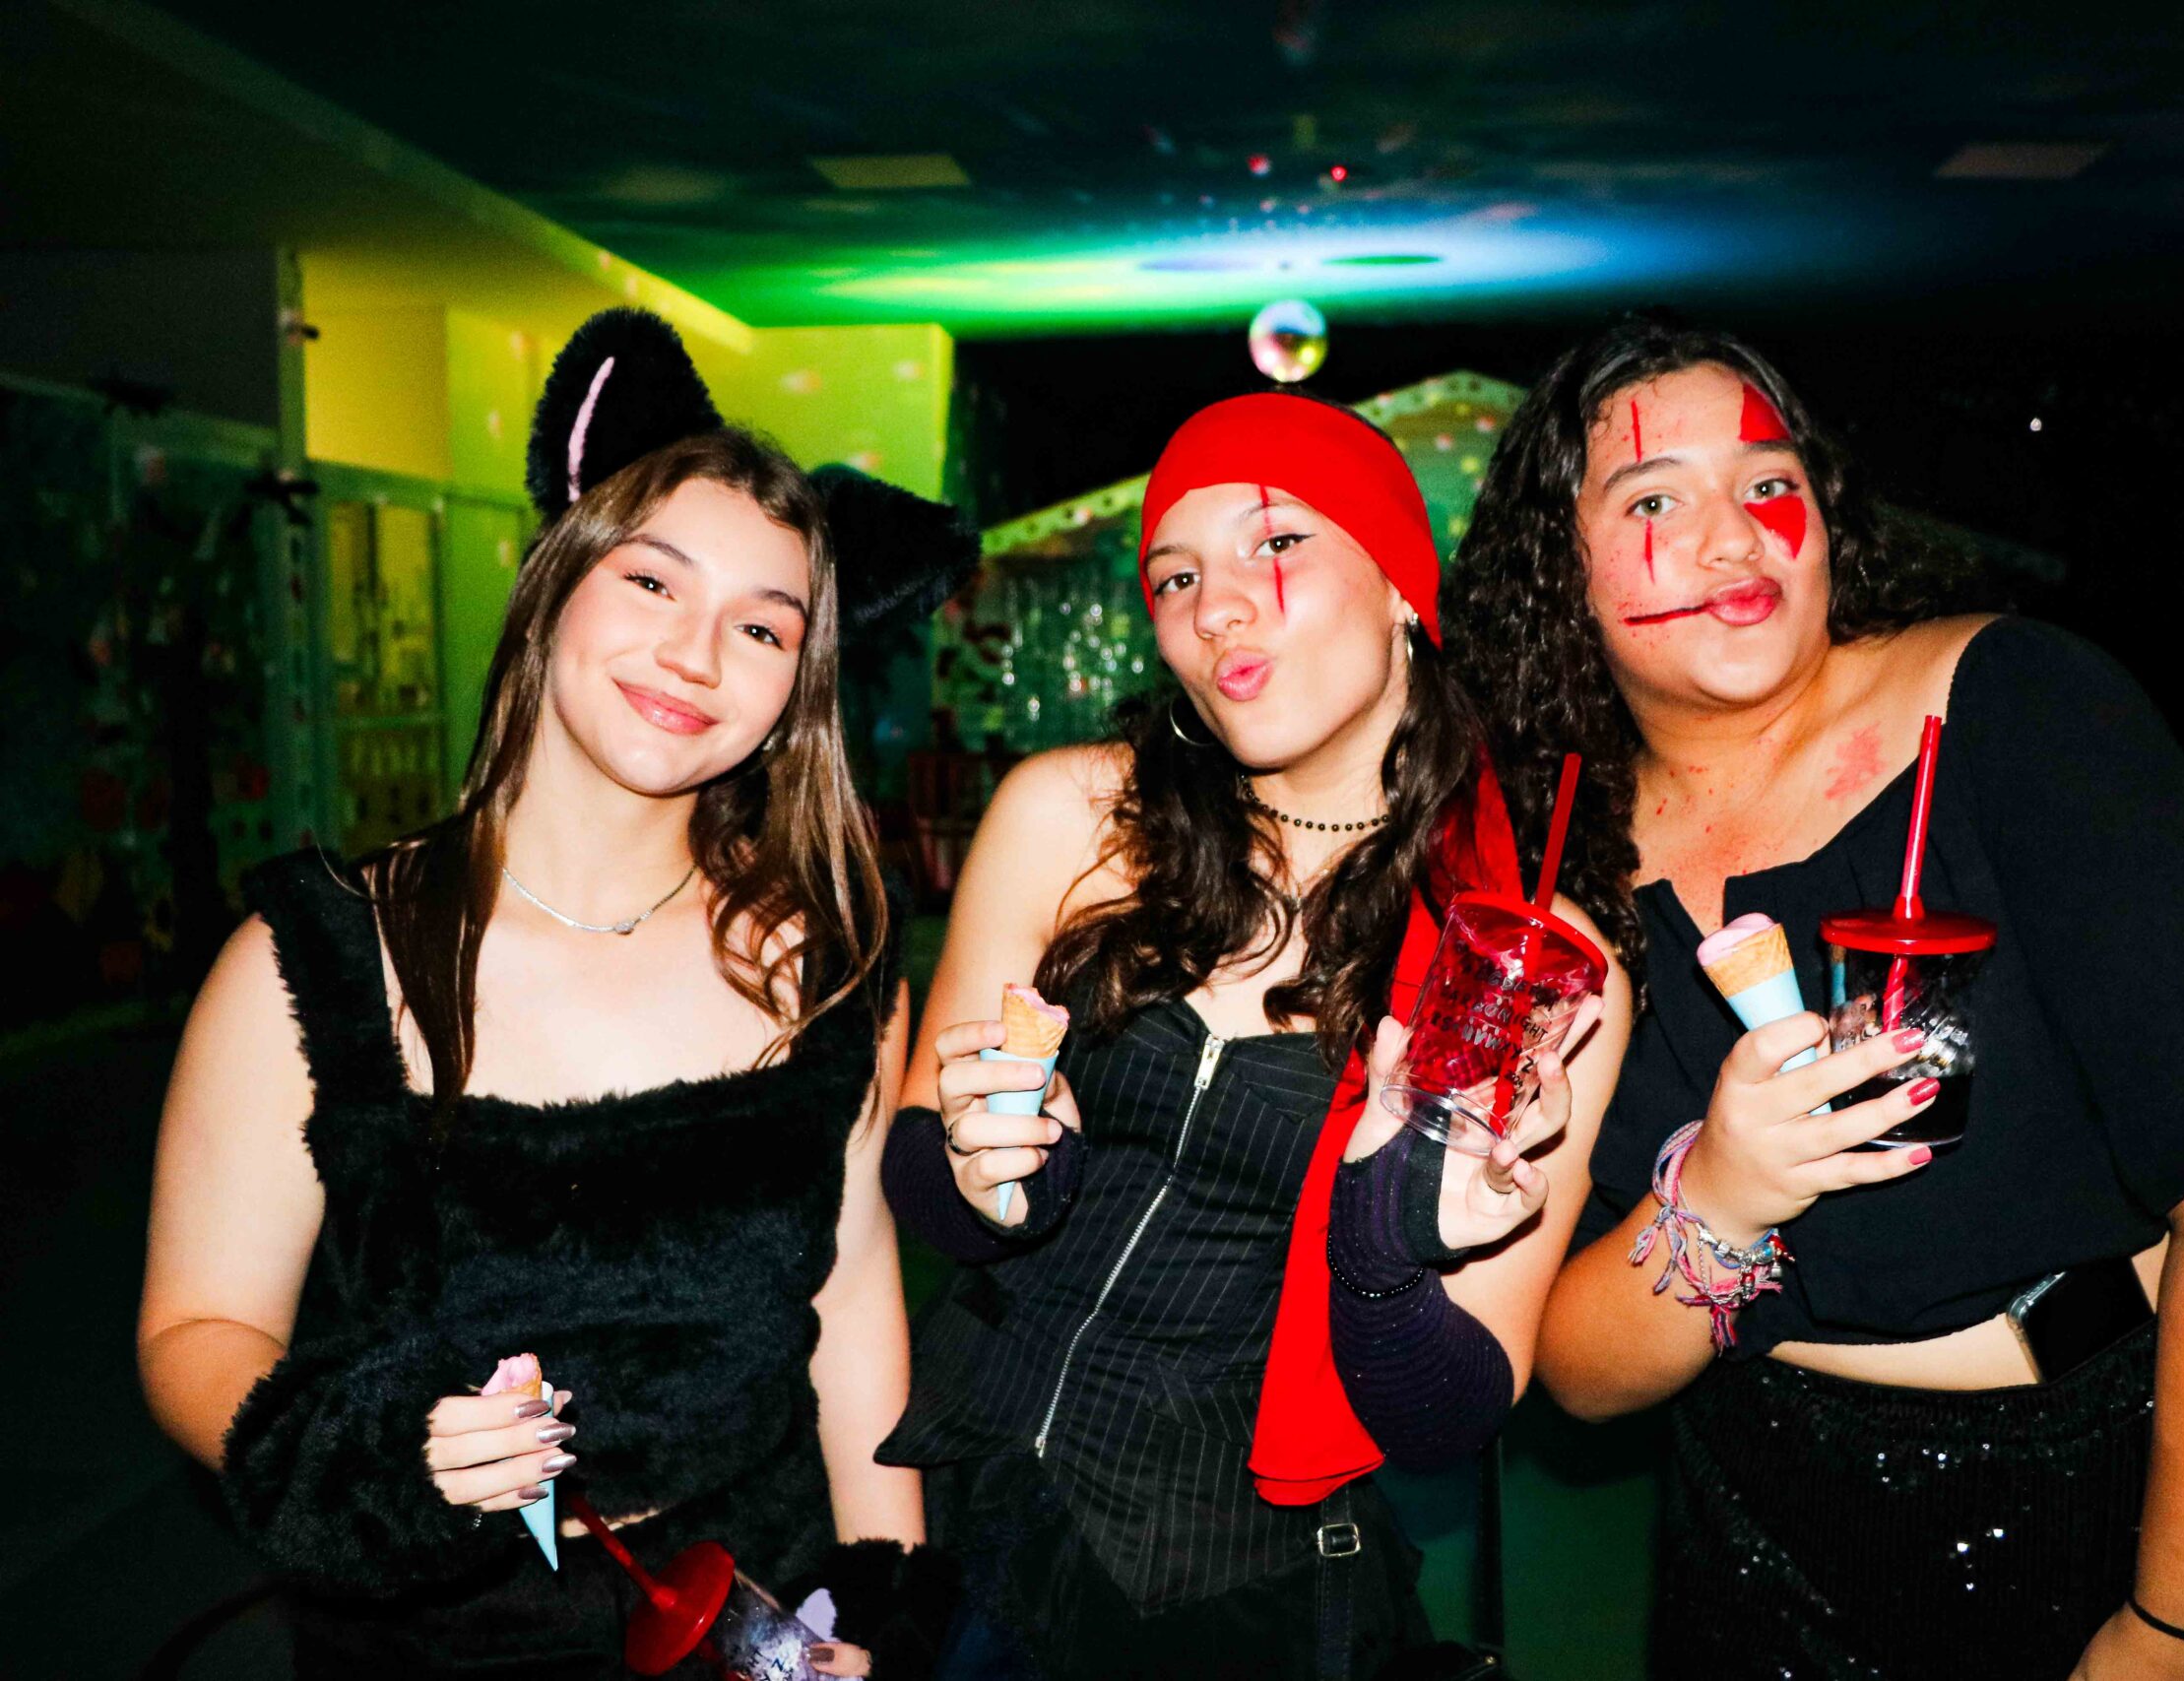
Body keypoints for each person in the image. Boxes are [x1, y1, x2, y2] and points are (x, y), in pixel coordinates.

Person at [1445, 314, 2184, 1679]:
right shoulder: (1559, 872)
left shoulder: (2016, 707)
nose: (1733, 537)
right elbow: (1580, 1372)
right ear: (1555, 570)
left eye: (1769, 482)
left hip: (2106, 1481)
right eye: (1653, 501)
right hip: (1752, 1523)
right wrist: (1721, 1200)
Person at [136, 311, 949, 1678]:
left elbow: (856, 1298)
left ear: (798, 686)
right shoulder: (317, 957)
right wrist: (383, 1449)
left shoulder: (832, 961)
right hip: (436, 1639)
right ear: (554, 579)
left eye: (761, 625)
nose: (696, 654)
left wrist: (883, 1600)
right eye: (652, 583)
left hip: (761, 1620)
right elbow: (196, 1328)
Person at [876, 393, 1633, 1681]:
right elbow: (920, 1169)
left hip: (1240, 1600)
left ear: (1400, 588)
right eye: (1176, 576)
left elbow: (1450, 1413)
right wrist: (994, 1170)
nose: (1216, 606)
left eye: (1276, 544)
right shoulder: (1069, 815)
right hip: (957, 1528)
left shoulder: (1519, 959)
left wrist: (1385, 1249)